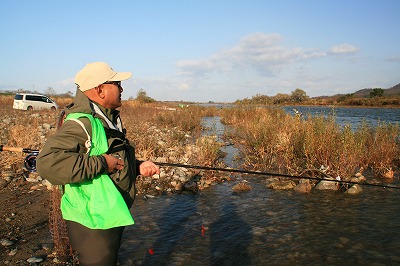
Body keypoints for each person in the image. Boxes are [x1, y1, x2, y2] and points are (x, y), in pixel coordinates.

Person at [37, 62, 160, 266]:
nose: (122, 89)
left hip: (106, 214)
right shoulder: (83, 123)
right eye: (117, 84)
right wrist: (102, 162)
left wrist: (136, 167)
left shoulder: (106, 118)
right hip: (92, 221)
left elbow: (108, 158)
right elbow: (47, 163)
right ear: (100, 89)